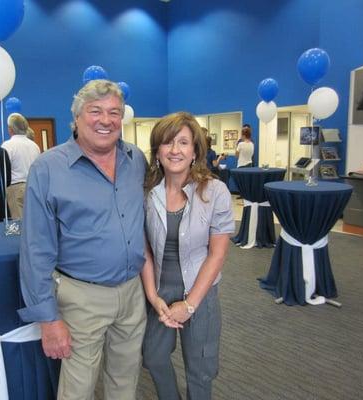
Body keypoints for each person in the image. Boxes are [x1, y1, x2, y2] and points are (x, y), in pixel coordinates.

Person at [19, 80, 147, 399]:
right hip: (81, 298)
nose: (106, 120)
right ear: (76, 117)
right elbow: (36, 251)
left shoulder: (136, 159)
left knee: (126, 379)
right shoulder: (48, 168)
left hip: (133, 293)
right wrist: (48, 319)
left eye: (114, 112)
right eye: (96, 111)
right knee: (78, 388)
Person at [141, 111, 235, 400]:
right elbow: (143, 249)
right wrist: (153, 297)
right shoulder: (146, 192)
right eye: (167, 143)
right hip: (159, 290)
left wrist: (190, 305)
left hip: (200, 291)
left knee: (200, 368)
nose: (175, 150)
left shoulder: (215, 191)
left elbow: (217, 255)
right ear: (157, 151)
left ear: (195, 150)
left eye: (183, 142)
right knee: (153, 357)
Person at [1, 113, 40, 219]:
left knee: (18, 224)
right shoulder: (34, 146)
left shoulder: (7, 146)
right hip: (33, 186)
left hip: (16, 187)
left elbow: (4, 171)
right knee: (33, 221)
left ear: (10, 129)